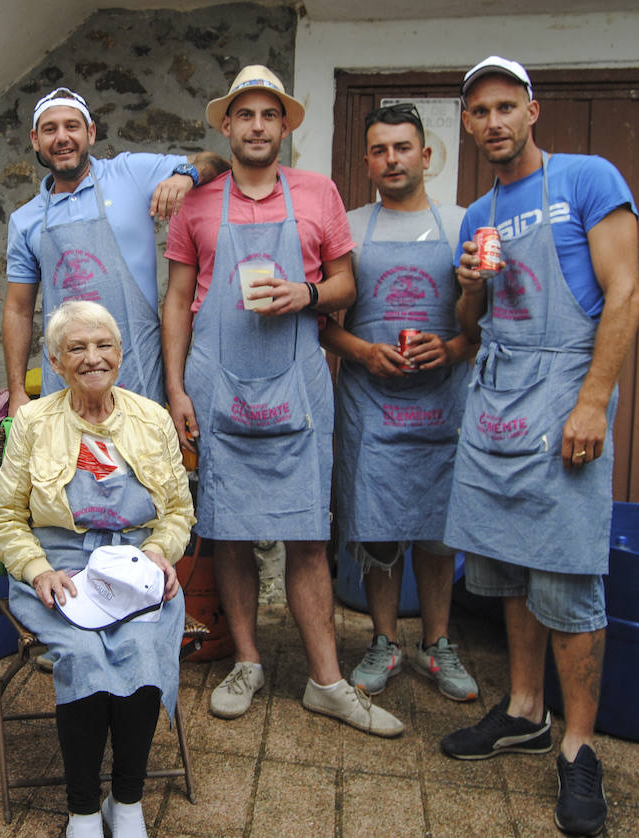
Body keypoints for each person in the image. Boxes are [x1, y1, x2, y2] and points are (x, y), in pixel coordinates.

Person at [162, 65, 401, 736]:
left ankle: (326, 681)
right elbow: (178, 299)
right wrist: (178, 389)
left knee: (307, 534)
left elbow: (348, 285)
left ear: (285, 125)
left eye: (270, 114)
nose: (258, 125)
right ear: (228, 126)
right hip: (218, 388)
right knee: (230, 532)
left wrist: (308, 294)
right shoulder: (198, 203)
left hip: (297, 391)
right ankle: (248, 661)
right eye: (246, 114)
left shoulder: (317, 193)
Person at [439, 57, 639, 837]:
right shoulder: (478, 214)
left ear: (532, 110)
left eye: (505, 107)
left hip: (564, 394)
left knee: (567, 569)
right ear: (467, 124)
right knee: (510, 561)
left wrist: (593, 402)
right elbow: (469, 327)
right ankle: (525, 711)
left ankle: (580, 746)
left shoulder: (588, 179)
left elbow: (625, 294)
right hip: (497, 396)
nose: (492, 122)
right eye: (479, 111)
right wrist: (467, 285)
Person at [0, 300, 194, 838]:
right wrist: (36, 570)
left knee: (143, 649)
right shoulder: (33, 422)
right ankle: (82, 807)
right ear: (56, 362)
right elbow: (6, 516)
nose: (92, 357)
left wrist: (159, 553)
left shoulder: (152, 419)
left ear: (121, 355)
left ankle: (126, 801)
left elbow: (178, 511)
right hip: (61, 567)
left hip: (135, 564)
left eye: (103, 345)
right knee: (83, 655)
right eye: (76, 348)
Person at [321, 103, 479, 702]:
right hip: (372, 407)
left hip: (444, 403)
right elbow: (321, 324)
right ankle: (384, 644)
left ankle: (438, 645)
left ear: (426, 156)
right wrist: (362, 352)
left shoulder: (463, 224)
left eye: (404, 147)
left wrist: (458, 346)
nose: (393, 159)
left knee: (439, 535)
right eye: (381, 150)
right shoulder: (351, 228)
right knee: (379, 531)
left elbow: (485, 316)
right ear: (367, 162)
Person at [3, 87, 228, 412]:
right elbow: (18, 310)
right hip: (65, 391)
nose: (62, 137)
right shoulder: (25, 220)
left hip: (139, 381)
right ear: (36, 140)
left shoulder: (131, 173)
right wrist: (16, 392)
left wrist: (186, 176)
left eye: (72, 126)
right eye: (50, 129)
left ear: (91, 133)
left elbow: (216, 163)